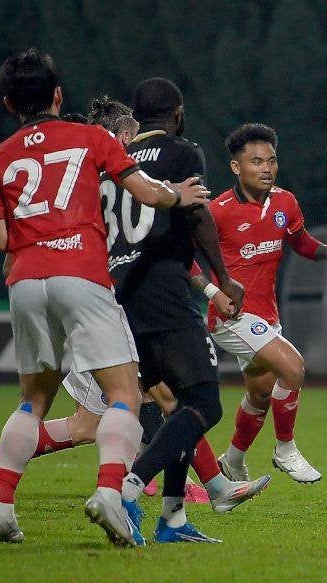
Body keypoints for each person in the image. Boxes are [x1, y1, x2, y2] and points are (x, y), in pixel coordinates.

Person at [0, 48, 208, 544]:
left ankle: (0, 508)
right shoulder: (91, 138)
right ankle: (108, 494)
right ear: (59, 95)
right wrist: (178, 195)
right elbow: (147, 193)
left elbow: (0, 240)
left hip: (26, 280)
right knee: (125, 394)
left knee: (31, 401)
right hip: (81, 273)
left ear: (8, 103)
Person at [107, 76, 245, 544]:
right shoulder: (183, 152)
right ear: (178, 113)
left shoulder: (115, 160)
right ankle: (127, 487)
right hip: (165, 291)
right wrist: (222, 277)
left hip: (123, 295)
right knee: (205, 402)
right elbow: (197, 212)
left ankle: (173, 518)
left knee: (176, 404)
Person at [198, 123, 327, 485]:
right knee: (293, 368)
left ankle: (232, 461)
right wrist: (213, 292)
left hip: (266, 316)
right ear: (236, 167)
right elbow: (185, 258)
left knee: (259, 395)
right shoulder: (217, 211)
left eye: (271, 160)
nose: (266, 168)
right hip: (231, 317)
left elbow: (302, 243)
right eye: (256, 162)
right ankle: (285, 449)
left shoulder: (285, 202)